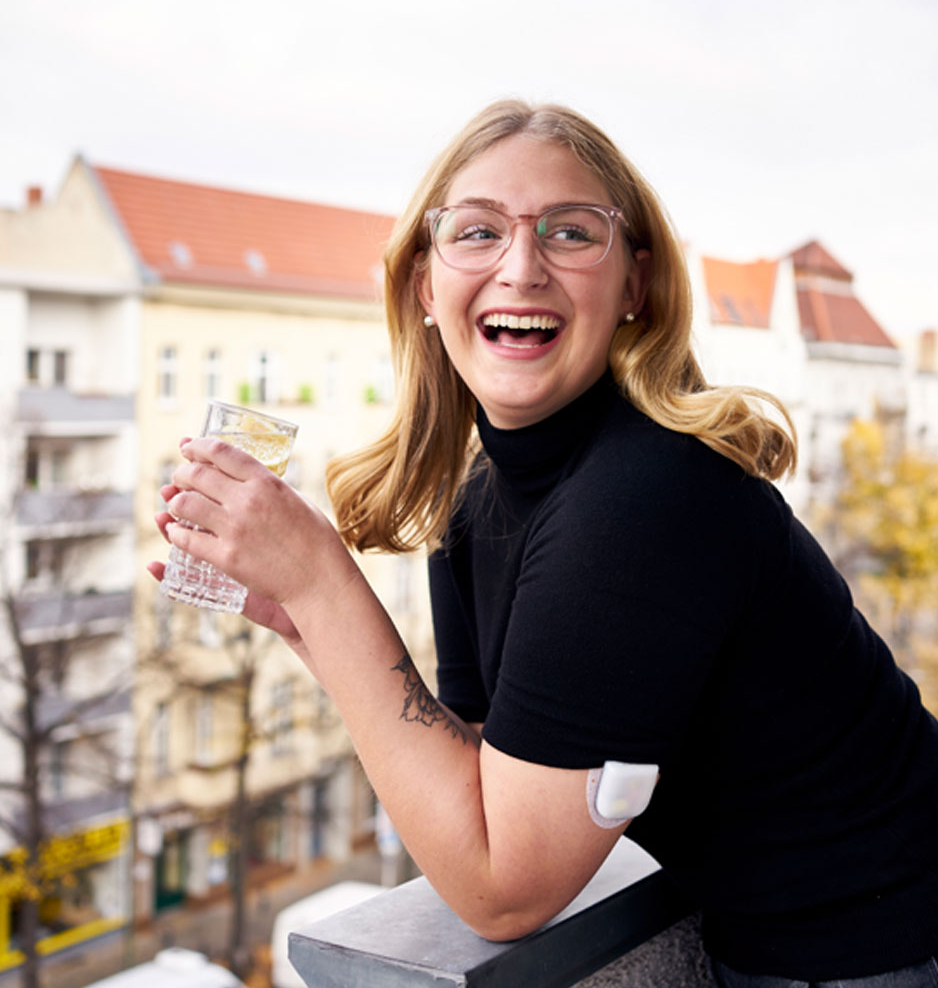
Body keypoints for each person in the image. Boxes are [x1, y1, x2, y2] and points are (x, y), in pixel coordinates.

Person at [150, 101, 938, 988]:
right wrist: (308, 621)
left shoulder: (646, 493)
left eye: (570, 233)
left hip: (882, 953)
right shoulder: (476, 500)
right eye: (477, 231)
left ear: (636, 285)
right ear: (422, 285)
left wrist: (325, 580)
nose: (520, 268)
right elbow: (490, 778)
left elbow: (503, 889)